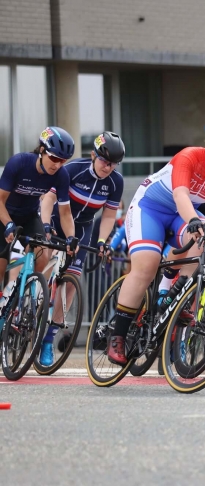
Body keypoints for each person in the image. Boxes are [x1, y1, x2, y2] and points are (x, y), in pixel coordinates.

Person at [106, 116, 205, 365]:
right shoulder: (189, 156)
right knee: (147, 265)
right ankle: (118, 335)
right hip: (150, 208)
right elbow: (180, 195)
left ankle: (173, 294)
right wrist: (193, 221)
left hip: (181, 213)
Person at [39, 131, 126, 365]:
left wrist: (102, 241)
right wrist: (46, 225)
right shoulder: (73, 169)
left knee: (70, 284)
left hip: (82, 228)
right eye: (104, 161)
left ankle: (48, 339)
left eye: (113, 164)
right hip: (56, 220)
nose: (108, 168)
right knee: (42, 260)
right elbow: (48, 199)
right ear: (93, 155)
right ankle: (30, 298)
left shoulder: (115, 182)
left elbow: (108, 216)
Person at [0, 127, 78, 304]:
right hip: (4, 215)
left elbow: (65, 212)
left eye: (63, 160)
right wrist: (8, 224)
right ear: (42, 150)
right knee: (1, 265)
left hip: (28, 216)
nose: (57, 164)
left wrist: (71, 237)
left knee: (43, 254)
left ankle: (22, 299)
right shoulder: (19, 163)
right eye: (54, 158)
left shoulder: (61, 175)